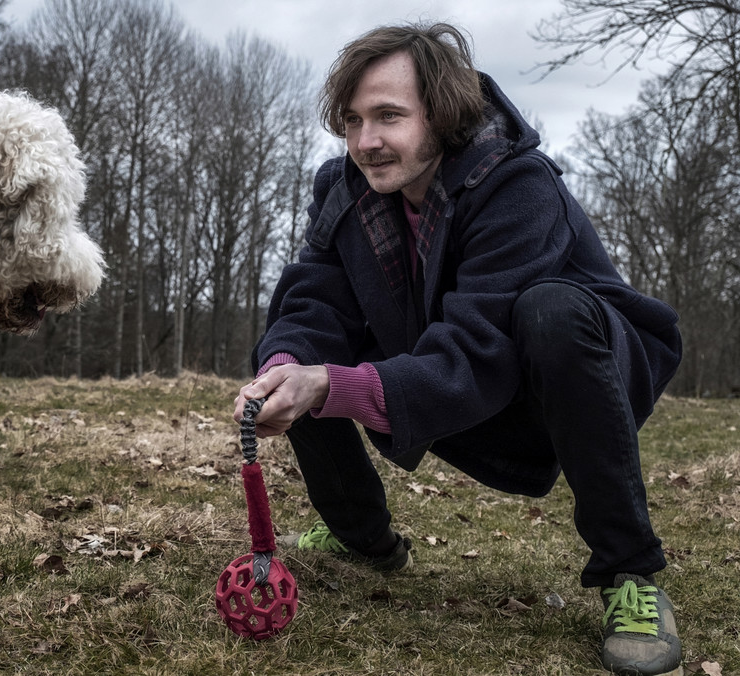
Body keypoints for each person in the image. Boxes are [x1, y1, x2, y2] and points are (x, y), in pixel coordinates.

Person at [233, 22, 683, 676]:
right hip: (450, 374)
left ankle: (631, 576)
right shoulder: (342, 189)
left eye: (388, 116)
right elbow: (315, 302)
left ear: (441, 116)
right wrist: (289, 373)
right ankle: (364, 539)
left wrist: (331, 385)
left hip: (570, 375)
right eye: (353, 120)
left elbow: (481, 348)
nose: (366, 141)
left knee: (550, 311)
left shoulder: (518, 183)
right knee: (290, 352)